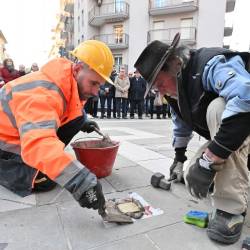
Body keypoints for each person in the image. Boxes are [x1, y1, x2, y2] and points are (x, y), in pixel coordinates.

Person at [134, 33, 250, 244]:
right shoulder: (173, 90)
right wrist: (179, 159)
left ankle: (231, 210)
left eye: (159, 83)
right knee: (190, 175)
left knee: (218, 109)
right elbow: (181, 124)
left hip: (245, 124)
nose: (159, 92)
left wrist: (209, 160)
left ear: (176, 63)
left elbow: (245, 97)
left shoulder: (211, 63)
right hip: (233, 137)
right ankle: (229, 179)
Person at [0, 40, 114, 213]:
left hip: (19, 135)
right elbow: (38, 143)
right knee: (46, 182)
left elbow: (69, 109)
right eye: (93, 83)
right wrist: (80, 180)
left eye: (99, 85)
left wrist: (83, 122)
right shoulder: (43, 93)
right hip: (5, 145)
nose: (95, 92)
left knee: (79, 118)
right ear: (77, 69)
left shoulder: (65, 81)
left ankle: (49, 161)